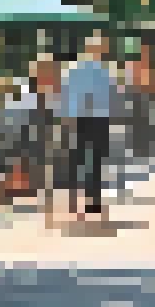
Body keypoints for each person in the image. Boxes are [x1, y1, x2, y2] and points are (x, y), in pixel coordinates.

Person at [59, 36, 116, 219]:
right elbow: (109, 97)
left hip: (83, 119)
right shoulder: (103, 72)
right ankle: (91, 202)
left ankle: (76, 201)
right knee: (93, 161)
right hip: (96, 119)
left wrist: (67, 117)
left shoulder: (77, 70)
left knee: (79, 159)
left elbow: (69, 94)